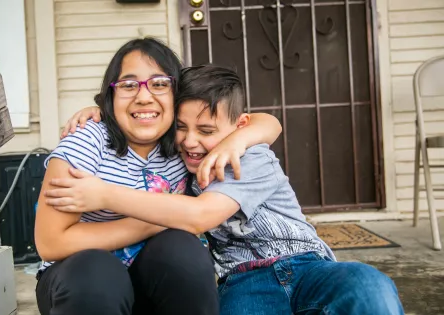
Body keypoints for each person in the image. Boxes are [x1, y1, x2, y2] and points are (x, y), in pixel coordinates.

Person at [47, 64, 405, 315]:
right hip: (242, 281)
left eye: (206, 130)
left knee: (367, 285)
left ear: (238, 126)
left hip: (307, 264)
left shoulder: (249, 156)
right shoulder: (177, 170)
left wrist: (104, 194)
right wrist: (102, 109)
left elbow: (201, 215)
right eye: (181, 128)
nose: (190, 141)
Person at [35, 38, 283, 315]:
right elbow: (50, 243)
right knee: (99, 271)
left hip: (151, 280)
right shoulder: (86, 142)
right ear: (111, 96)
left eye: (159, 84)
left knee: (183, 251)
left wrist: (236, 141)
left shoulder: (184, 144)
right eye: (129, 85)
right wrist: (156, 223)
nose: (143, 96)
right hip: (81, 287)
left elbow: (267, 123)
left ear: (178, 97)